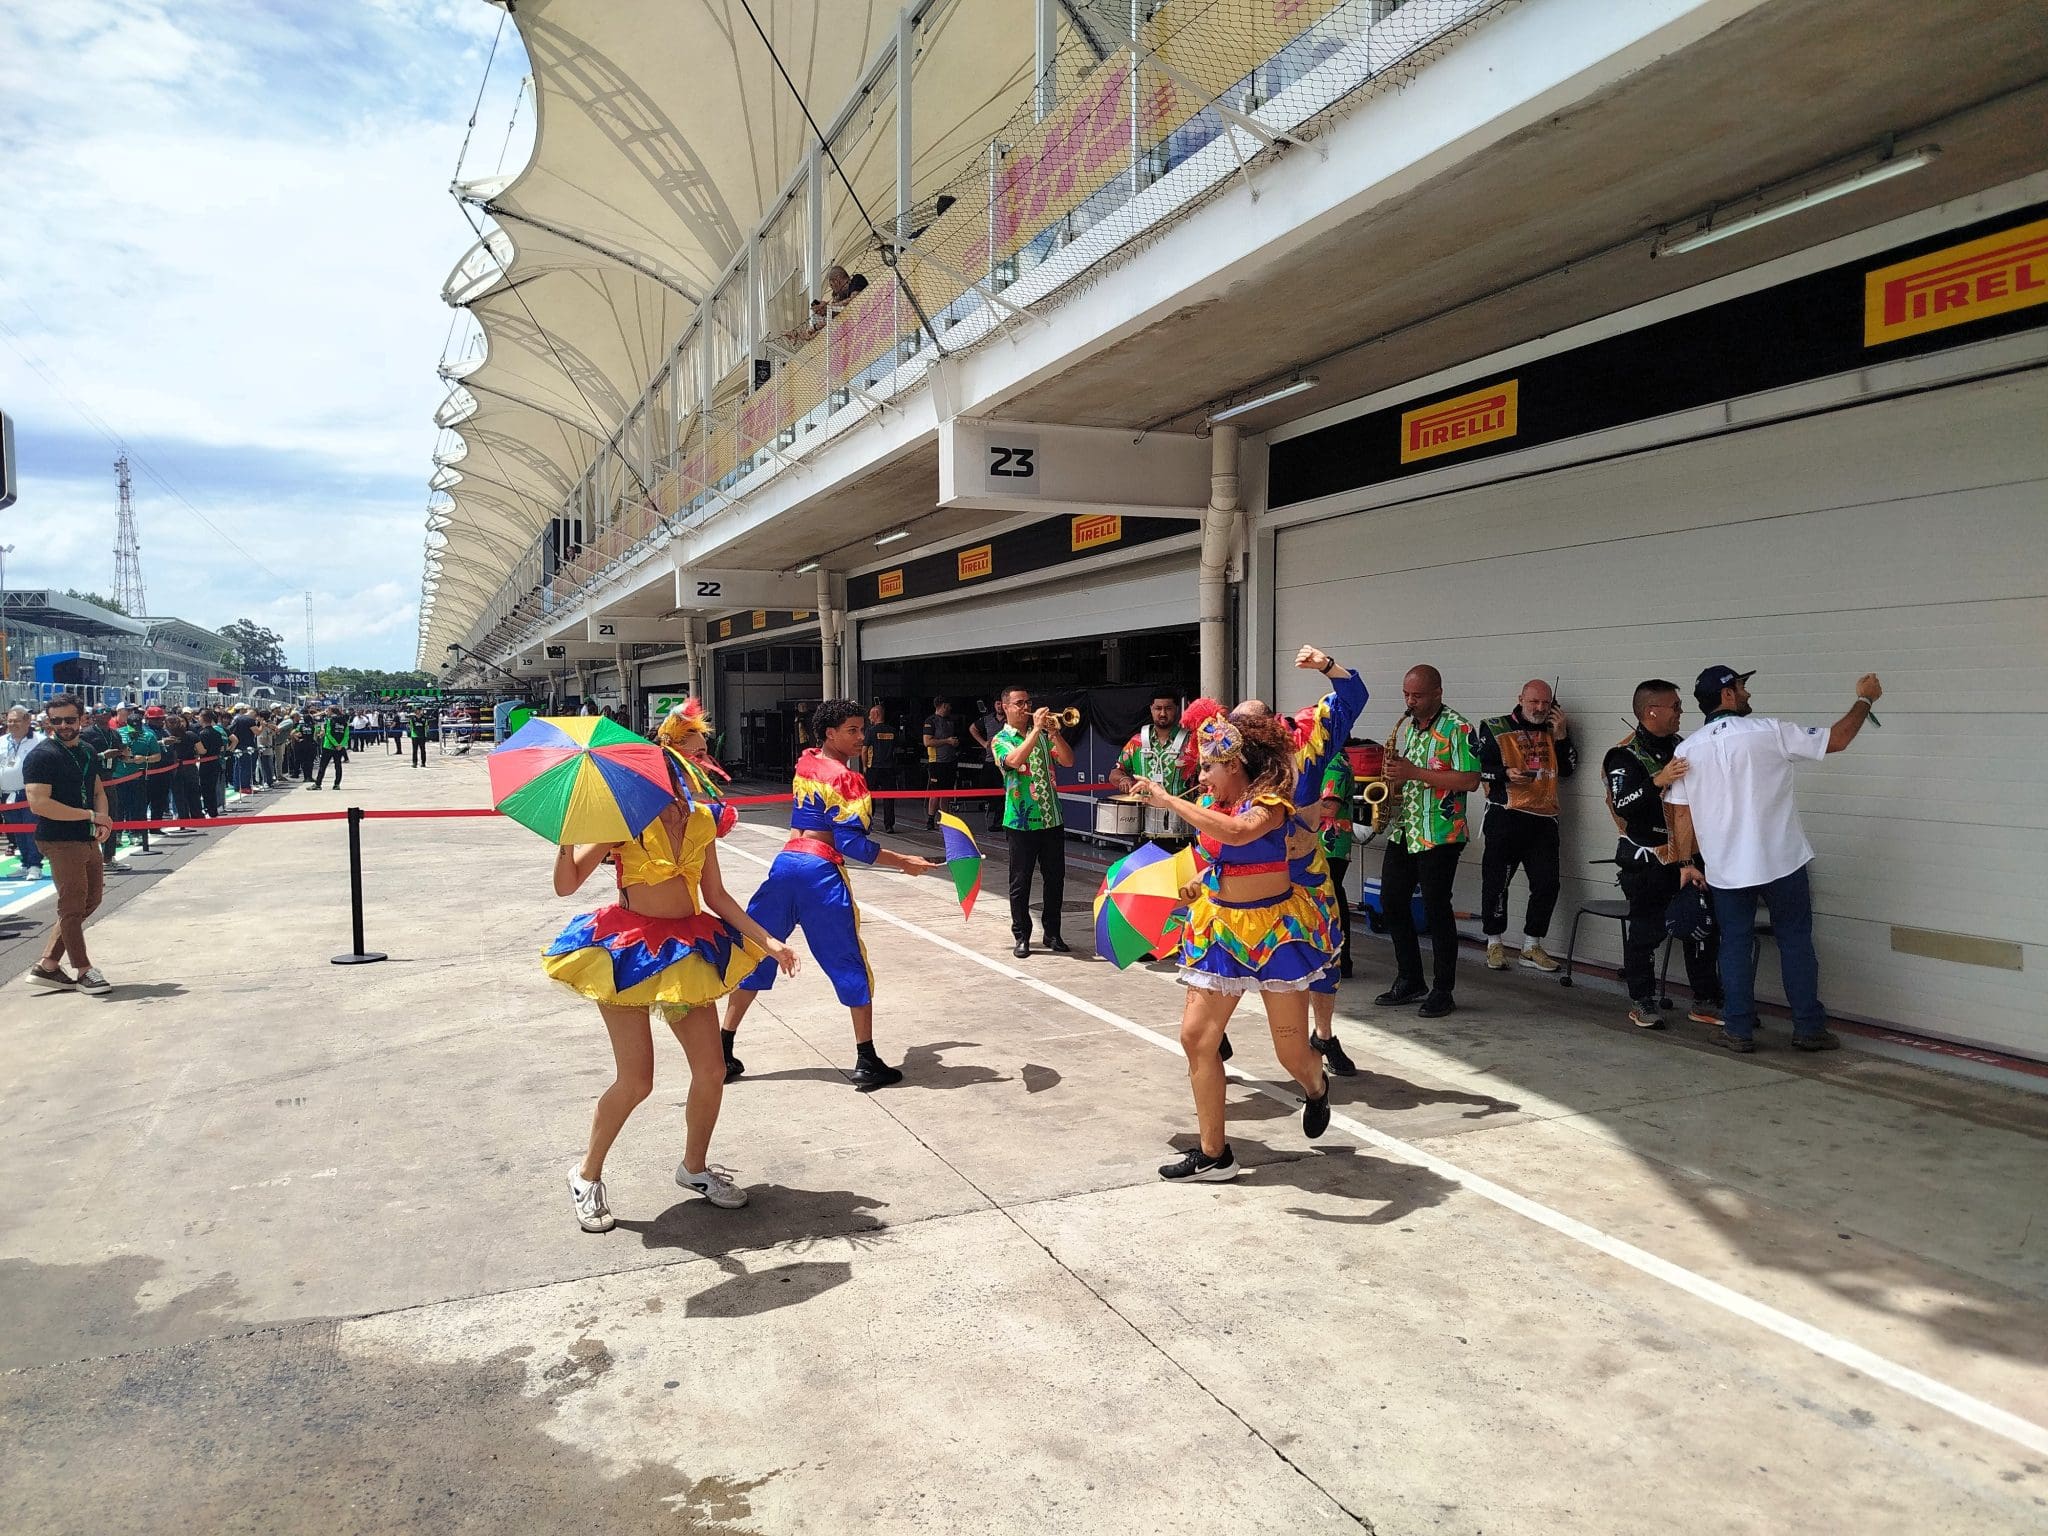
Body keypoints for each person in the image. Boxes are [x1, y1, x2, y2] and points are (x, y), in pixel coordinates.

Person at [546, 760, 799, 1229]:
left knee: (712, 1069)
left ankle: (694, 1169)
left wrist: (768, 941)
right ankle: (586, 1176)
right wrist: (568, 835)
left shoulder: (701, 820)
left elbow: (716, 895)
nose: (699, 766)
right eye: (690, 756)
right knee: (636, 1081)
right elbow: (566, 886)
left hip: (685, 953)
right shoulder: (623, 820)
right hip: (625, 955)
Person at [1128, 700, 1341, 1183]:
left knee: (1290, 1052)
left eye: (1208, 766)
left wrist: (1168, 801)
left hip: (1275, 934)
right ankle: (1214, 1154)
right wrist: (1198, 883)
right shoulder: (1209, 806)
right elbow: (1215, 857)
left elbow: (1240, 834)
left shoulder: (1270, 802)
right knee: (1196, 1038)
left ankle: (1315, 1085)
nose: (1202, 776)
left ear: (1235, 763)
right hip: (1222, 930)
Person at [721, 700, 940, 1089]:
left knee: (758, 952)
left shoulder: (806, 763)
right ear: (829, 733)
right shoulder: (848, 779)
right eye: (852, 730)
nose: (861, 737)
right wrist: (904, 861)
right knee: (849, 961)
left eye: (861, 729)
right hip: (820, 872)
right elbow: (852, 844)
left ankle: (723, 1049)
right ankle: (867, 1059)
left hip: (785, 865)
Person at [1666, 665, 1882, 1054]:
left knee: (1733, 943)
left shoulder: (1687, 750)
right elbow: (1839, 739)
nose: (1748, 693)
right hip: (1783, 861)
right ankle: (1809, 1029)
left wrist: (1685, 864)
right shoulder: (1769, 731)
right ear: (1728, 694)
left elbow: (1682, 815)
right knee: (1795, 939)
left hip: (1727, 869)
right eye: (1743, 687)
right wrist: (1865, 698)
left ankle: (1737, 1029)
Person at [1603, 680, 1721, 1030]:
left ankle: (1705, 999)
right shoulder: (1623, 754)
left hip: (1688, 856)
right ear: (1652, 711)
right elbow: (1623, 805)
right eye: (1675, 706)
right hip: (1647, 860)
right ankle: (1642, 1001)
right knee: (1646, 931)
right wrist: (1658, 780)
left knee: (1700, 926)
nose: (1681, 711)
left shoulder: (1684, 746)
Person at [1377, 665, 1482, 1018]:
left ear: (1438, 692)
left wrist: (1412, 772)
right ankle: (1410, 978)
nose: (1410, 701)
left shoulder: (1459, 728)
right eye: (1406, 694)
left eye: (1417, 696)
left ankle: (1443, 989)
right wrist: (1395, 781)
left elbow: (1469, 780)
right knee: (1392, 902)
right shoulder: (1412, 728)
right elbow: (1410, 776)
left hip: (1442, 833)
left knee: (1437, 910)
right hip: (1407, 828)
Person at [1476, 680, 1578, 974]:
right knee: (1496, 882)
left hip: (1544, 819)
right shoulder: (1494, 727)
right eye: (1534, 702)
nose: (1540, 708)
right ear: (1521, 699)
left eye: (1546, 703)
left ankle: (1531, 945)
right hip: (1506, 814)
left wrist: (1561, 737)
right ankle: (1494, 942)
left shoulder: (1554, 731)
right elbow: (1477, 769)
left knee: (1547, 883)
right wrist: (1505, 774)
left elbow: (1569, 769)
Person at [22, 695, 113, 995]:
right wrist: (90, 816)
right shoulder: (41, 756)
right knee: (72, 906)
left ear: (82, 719)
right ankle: (84, 969)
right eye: (56, 720)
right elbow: (39, 804)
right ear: (48, 721)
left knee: (91, 900)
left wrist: (102, 819)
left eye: (69, 719)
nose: (63, 725)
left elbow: (97, 789)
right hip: (59, 839)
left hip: (86, 837)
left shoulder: (87, 750)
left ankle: (48, 964)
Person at [991, 686, 1075, 958]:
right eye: (1018, 703)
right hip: (1021, 822)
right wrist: (1037, 731)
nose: (1024, 707)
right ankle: (1022, 936)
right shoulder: (1001, 739)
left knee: (1055, 880)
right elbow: (1013, 761)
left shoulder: (1043, 735)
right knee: (1020, 881)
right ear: (1005, 707)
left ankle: (1053, 933)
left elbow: (1068, 760)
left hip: (1052, 818)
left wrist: (1055, 733)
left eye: (1027, 702)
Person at [1110, 691, 1191, 843]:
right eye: (1158, 708)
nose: (1162, 713)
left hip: (1182, 828)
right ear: (1151, 709)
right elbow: (1115, 772)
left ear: (1177, 709)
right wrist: (1123, 779)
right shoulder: (1137, 742)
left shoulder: (1191, 743)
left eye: (1168, 708)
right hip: (1143, 828)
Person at [1, 706, 44, 879]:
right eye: (9, 721)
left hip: (29, 793)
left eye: (16, 720)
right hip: (7, 794)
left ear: (27, 721)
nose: (12, 724)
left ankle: (35, 865)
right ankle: (25, 862)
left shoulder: (39, 741)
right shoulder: (2, 741)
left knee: (31, 829)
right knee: (16, 830)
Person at [117, 706, 162, 855]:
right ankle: (116, 834)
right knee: (118, 807)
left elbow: (157, 756)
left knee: (136, 806)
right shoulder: (118, 733)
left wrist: (145, 759)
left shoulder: (148, 736)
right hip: (118, 776)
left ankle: (135, 833)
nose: (134, 732)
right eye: (132, 729)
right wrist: (122, 755)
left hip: (138, 776)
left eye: (137, 729)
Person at [862, 701, 905, 834]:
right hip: (889, 768)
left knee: (870, 798)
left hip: (873, 768)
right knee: (889, 798)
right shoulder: (892, 731)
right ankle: (889, 825)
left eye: (870, 715)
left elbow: (864, 750)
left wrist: (864, 766)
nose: (869, 718)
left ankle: (868, 823)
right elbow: (899, 748)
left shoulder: (871, 731)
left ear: (876, 714)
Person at [920, 696, 960, 828]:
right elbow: (927, 742)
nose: (950, 708)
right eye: (948, 705)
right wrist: (947, 741)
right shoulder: (930, 721)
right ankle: (930, 819)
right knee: (935, 792)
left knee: (947, 792)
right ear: (943, 705)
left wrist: (954, 744)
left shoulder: (950, 721)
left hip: (950, 761)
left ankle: (945, 818)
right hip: (936, 762)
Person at [193, 709, 227, 817]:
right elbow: (221, 747)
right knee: (212, 787)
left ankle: (209, 809)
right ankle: (213, 810)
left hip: (206, 763)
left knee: (206, 788)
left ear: (203, 719)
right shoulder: (217, 733)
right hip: (215, 761)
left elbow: (201, 750)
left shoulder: (202, 733)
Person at [311, 708, 349, 790]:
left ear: (332, 712)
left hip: (328, 746)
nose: (326, 712)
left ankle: (318, 784)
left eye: (328, 711)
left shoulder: (330, 720)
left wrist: (334, 744)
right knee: (338, 766)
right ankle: (337, 784)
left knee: (323, 766)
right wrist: (340, 745)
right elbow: (346, 735)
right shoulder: (345, 722)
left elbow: (328, 733)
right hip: (339, 748)